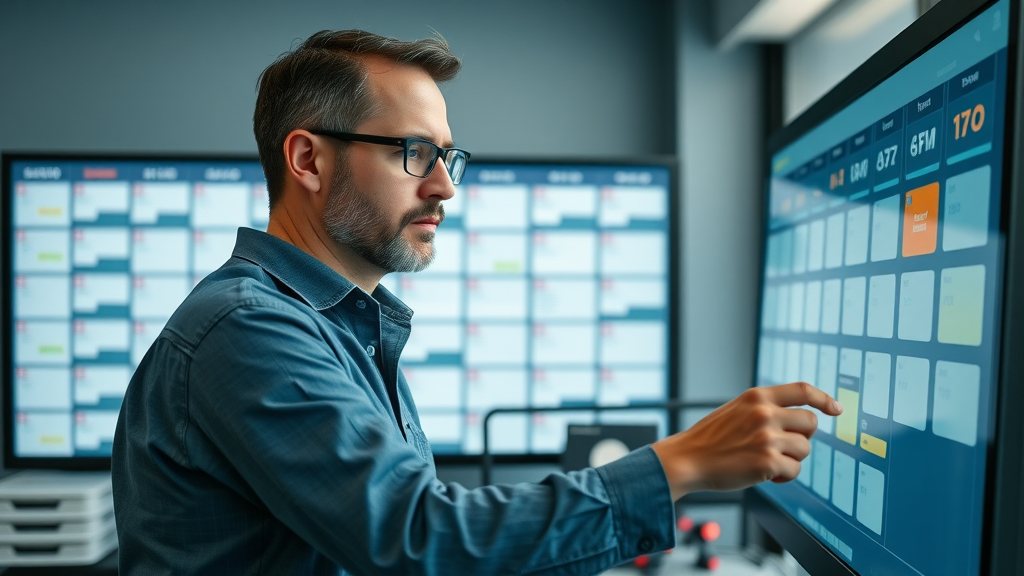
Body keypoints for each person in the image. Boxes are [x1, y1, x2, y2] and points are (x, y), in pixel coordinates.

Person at [111, 29, 842, 576]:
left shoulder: (338, 325)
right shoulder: (249, 329)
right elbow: (422, 541)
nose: (444, 187)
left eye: (447, 156)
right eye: (413, 153)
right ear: (307, 159)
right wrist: (682, 463)